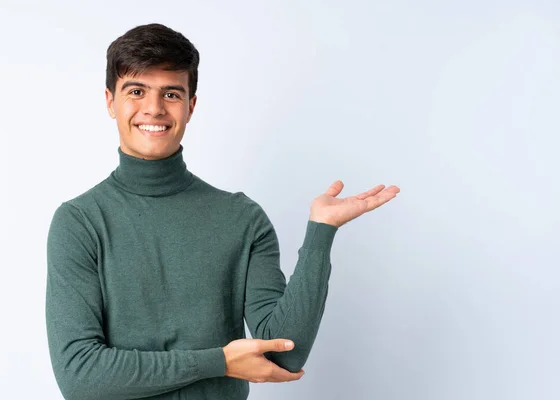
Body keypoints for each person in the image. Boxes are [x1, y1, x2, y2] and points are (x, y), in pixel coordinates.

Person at [45, 23, 400, 400]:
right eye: (136, 91)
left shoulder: (241, 219)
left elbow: (285, 356)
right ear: (110, 102)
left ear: (190, 105)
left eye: (171, 93)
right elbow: (79, 377)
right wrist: (220, 362)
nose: (154, 108)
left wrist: (321, 232)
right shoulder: (79, 222)